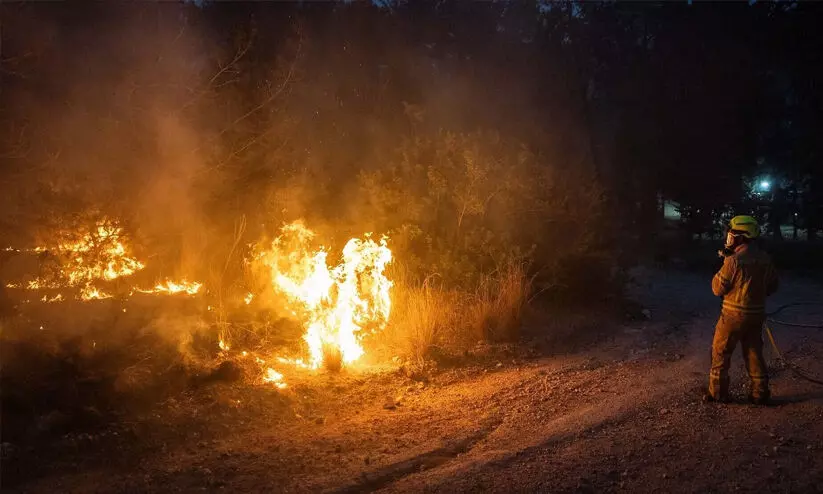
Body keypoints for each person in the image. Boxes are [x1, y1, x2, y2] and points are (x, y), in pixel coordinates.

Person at [706, 215, 778, 405]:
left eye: (732, 234)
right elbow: (772, 287)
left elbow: (717, 289)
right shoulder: (765, 259)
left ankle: (718, 394)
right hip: (756, 316)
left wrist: (725, 263)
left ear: (741, 236)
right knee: (754, 353)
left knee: (721, 353)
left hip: (732, 316)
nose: (729, 237)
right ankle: (760, 394)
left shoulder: (733, 261)